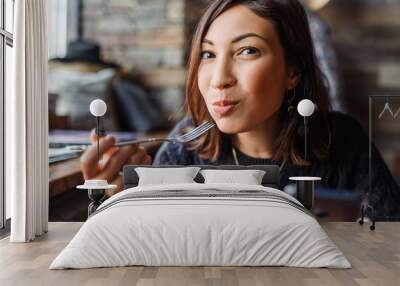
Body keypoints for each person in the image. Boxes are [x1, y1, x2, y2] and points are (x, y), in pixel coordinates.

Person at [80, 0, 400, 218]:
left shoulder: (343, 141)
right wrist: (117, 202)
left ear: (293, 71)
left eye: (247, 50)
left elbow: (389, 242)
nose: (219, 79)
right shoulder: (186, 145)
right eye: (208, 54)